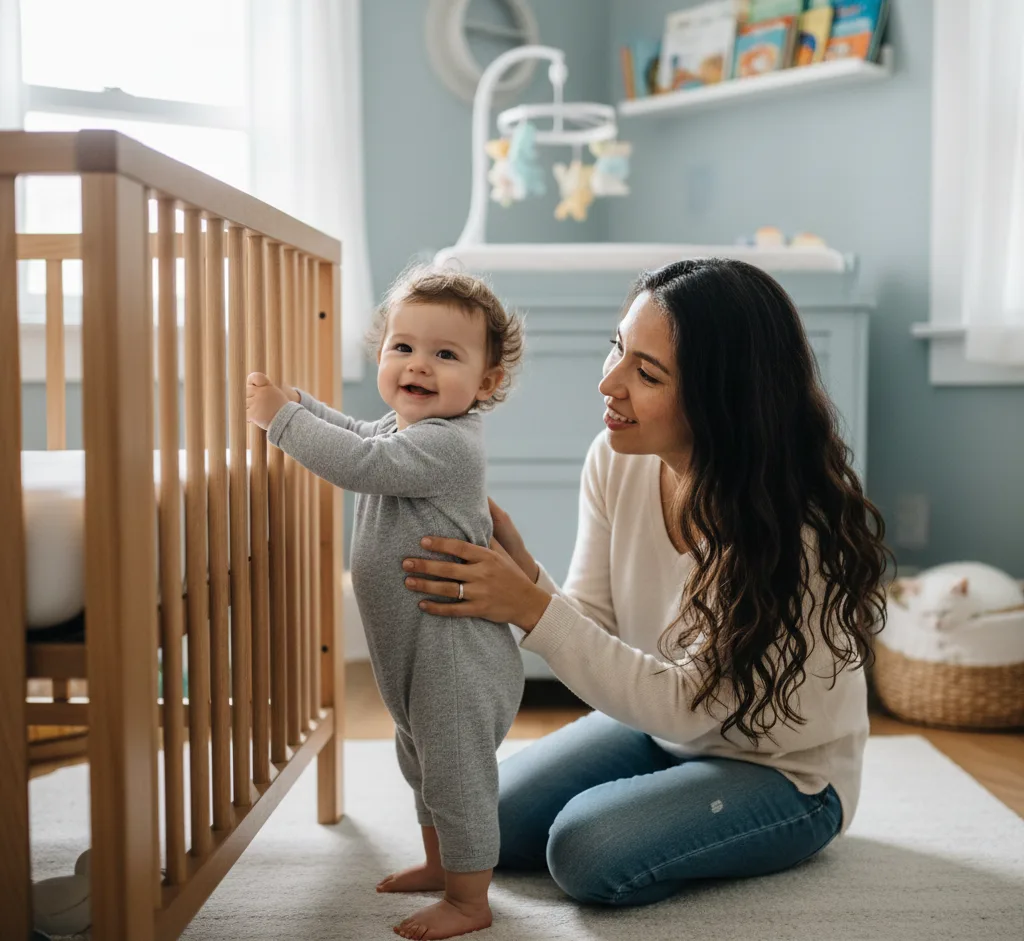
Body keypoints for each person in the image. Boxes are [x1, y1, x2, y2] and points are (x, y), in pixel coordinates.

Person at [402, 257, 892, 910]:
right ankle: (668, 806)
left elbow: (687, 701)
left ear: (720, 399)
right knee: (491, 814)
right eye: (618, 350)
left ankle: (706, 819)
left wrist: (531, 607)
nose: (609, 382)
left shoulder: (790, 526)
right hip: (662, 728)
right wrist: (529, 582)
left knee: (584, 848)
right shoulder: (615, 458)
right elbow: (591, 622)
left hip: (782, 771)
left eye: (647, 372)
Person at [246, 266, 526, 941]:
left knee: (455, 774)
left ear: (485, 384)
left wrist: (281, 421)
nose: (418, 366)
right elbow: (356, 434)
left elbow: (358, 464)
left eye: (445, 354)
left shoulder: (446, 445)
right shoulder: (404, 427)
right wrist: (301, 403)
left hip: (456, 652)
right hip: (413, 647)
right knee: (419, 761)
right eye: (402, 347)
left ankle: (469, 897)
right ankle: (439, 864)